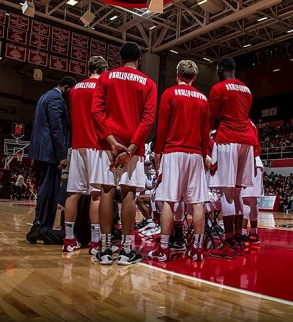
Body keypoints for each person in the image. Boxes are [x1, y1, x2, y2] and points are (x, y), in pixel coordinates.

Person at [91, 42, 157, 265]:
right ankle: (127, 250)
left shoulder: (105, 78)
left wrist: (111, 141)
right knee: (129, 194)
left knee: (107, 192)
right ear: (139, 59)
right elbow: (148, 120)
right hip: (133, 147)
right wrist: (129, 149)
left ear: (120, 58)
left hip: (107, 146)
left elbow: (96, 111)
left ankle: (106, 249)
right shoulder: (148, 83)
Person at [148, 60, 209, 262]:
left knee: (168, 199)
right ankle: (198, 249)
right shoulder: (203, 98)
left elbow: (162, 127)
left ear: (177, 74)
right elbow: (205, 131)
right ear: (195, 77)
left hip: (173, 151)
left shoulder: (170, 93)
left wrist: (158, 153)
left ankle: (164, 249)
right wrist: (205, 153)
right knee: (197, 202)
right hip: (196, 153)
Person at [207, 57, 258, 259]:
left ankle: (228, 241)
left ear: (220, 69)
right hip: (247, 140)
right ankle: (237, 237)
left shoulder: (219, 88)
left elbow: (212, 115)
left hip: (228, 137)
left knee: (227, 191)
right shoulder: (247, 89)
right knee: (237, 192)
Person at [62, 56, 108, 253]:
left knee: (73, 194)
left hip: (77, 144)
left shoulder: (75, 89)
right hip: (96, 145)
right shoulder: (104, 87)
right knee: (96, 195)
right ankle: (95, 242)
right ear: (104, 70)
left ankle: (69, 238)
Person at [26, 76, 77, 244]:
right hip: (50, 153)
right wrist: (62, 155)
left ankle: (40, 226)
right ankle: (40, 227)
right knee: (49, 192)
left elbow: (36, 122)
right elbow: (57, 128)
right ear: (67, 88)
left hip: (39, 151)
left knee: (44, 191)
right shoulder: (56, 98)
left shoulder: (44, 96)